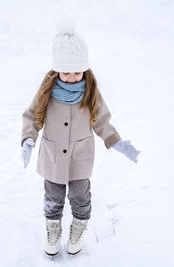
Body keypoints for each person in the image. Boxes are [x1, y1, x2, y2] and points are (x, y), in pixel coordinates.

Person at [21, 17, 140, 256]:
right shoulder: (47, 93)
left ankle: (78, 227)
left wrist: (116, 141)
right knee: (53, 195)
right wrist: (28, 139)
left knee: (80, 195)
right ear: (56, 70)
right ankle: (53, 230)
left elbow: (102, 121)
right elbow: (33, 117)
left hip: (80, 158)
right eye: (66, 72)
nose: (72, 76)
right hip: (52, 156)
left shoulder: (91, 93)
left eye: (77, 71)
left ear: (85, 69)